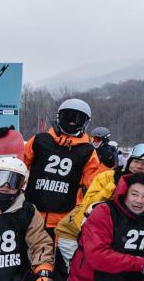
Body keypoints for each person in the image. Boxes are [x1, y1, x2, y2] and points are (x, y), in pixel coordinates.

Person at [53, 143, 144, 267]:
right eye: (136, 161)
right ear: (129, 162)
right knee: (83, 269)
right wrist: (115, 185)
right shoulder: (107, 177)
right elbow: (89, 207)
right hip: (75, 234)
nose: (139, 166)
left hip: (109, 239)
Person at [22, 98, 107, 239]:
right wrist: (5, 144)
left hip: (64, 220)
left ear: (85, 123)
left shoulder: (86, 150)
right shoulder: (40, 141)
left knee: (57, 254)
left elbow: (93, 184)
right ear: (59, 117)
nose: (72, 122)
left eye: (78, 118)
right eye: (68, 116)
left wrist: (106, 166)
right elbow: (17, 167)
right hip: (31, 215)